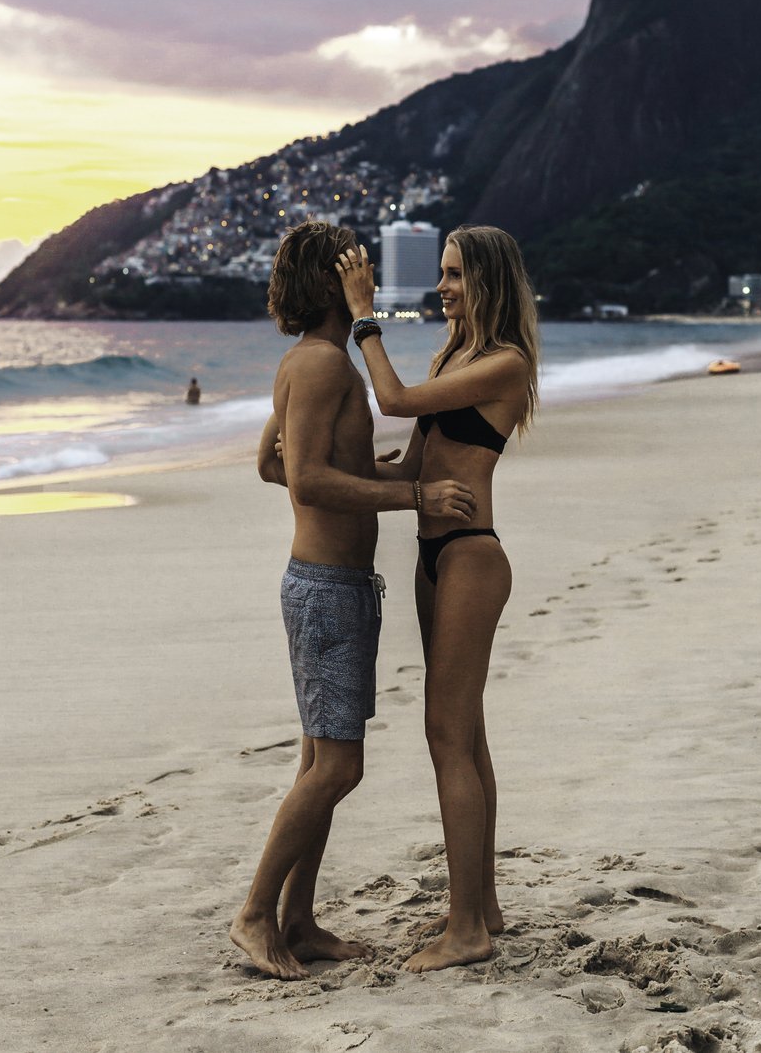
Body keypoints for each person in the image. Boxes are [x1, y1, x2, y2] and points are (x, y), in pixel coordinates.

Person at [230, 220, 476, 981]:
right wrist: (410, 492)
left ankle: (298, 920)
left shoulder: (306, 362)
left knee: (318, 757)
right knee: (337, 768)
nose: (366, 276)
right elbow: (301, 478)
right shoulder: (327, 370)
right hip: (326, 590)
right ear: (336, 281)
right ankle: (253, 915)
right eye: (357, 268)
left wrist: (362, 472)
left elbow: (272, 465)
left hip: (328, 586)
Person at [337, 225, 540, 972]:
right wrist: (330, 470)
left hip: (471, 557)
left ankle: (467, 932)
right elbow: (413, 462)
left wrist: (364, 317)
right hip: (433, 555)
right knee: (466, 734)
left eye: (454, 276)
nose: (443, 287)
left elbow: (391, 397)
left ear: (487, 281)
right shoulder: (454, 354)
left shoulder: (504, 362)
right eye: (443, 274)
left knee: (446, 735)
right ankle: (480, 906)